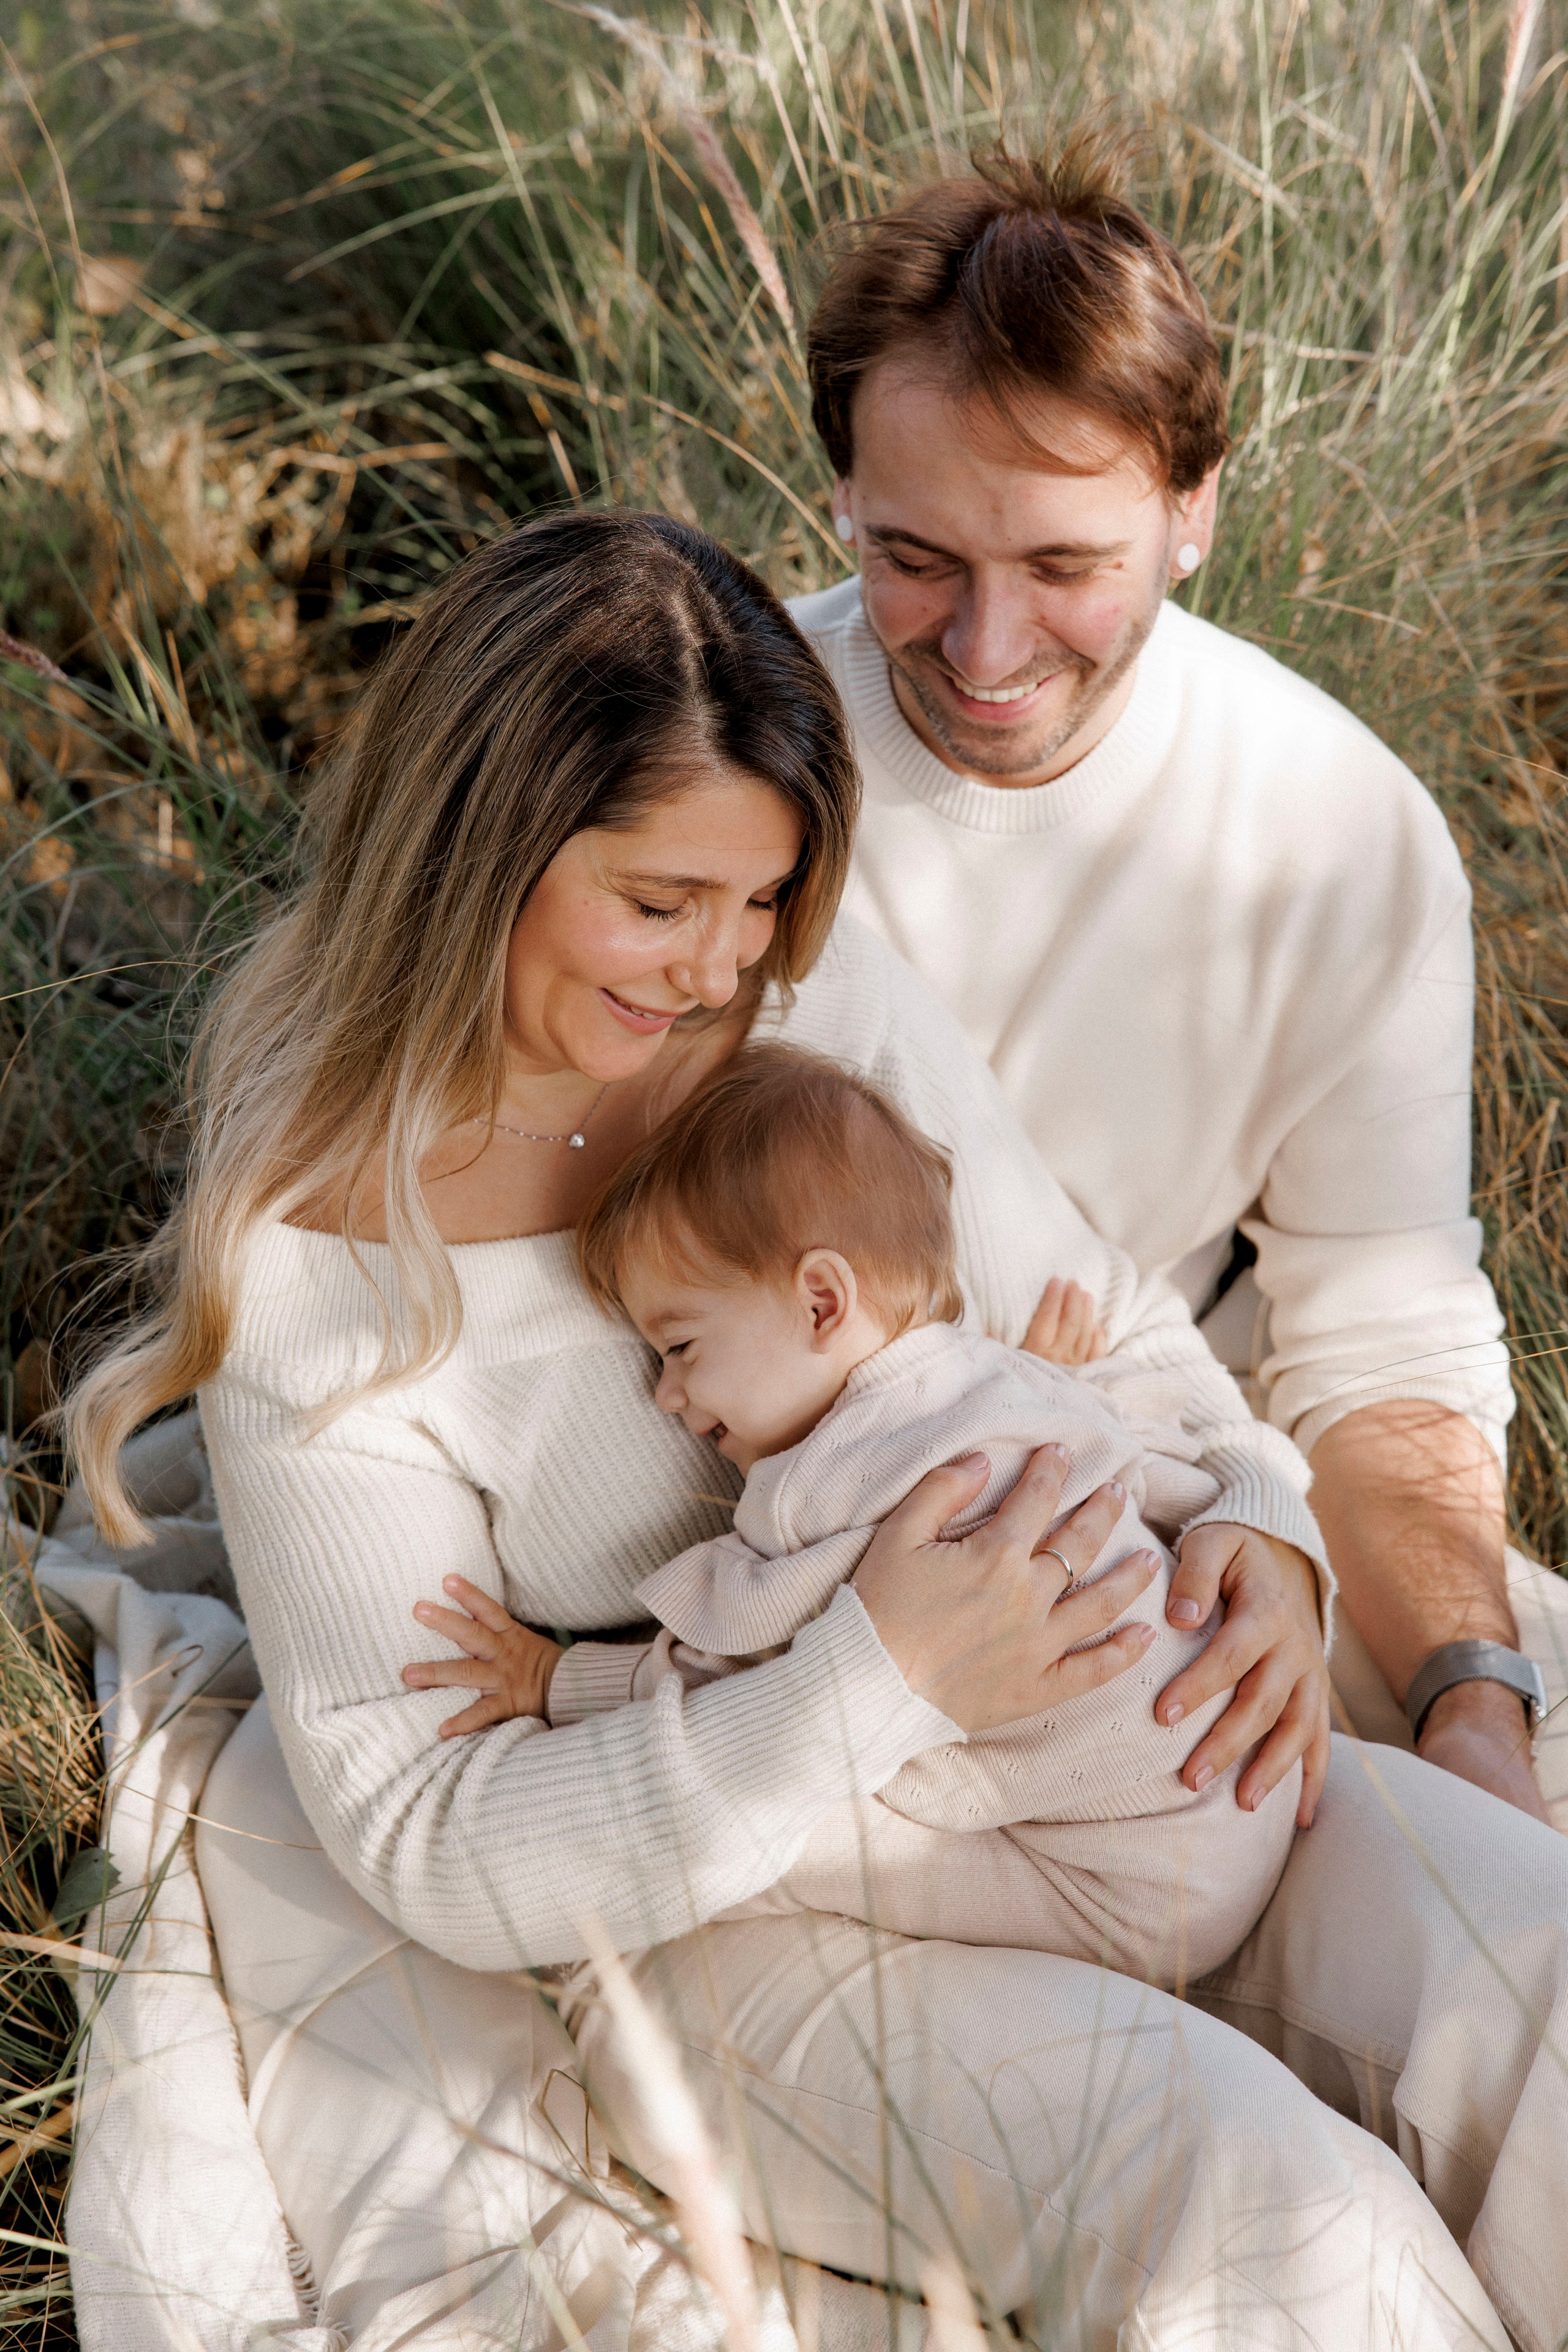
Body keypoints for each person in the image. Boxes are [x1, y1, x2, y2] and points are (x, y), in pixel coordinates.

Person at [64, 513, 1568, 2350]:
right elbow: (430, 1831)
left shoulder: (802, 1003)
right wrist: (881, 1675)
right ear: (476, 854)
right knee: (1269, 2204)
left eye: (760, 898)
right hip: (725, 1910)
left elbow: (1097, 1327)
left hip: (1107, 1744)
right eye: (658, 903)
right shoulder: (322, 1258)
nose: (717, 970)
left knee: (1537, 1973)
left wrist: (1258, 1517)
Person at [788, 130, 1567, 1826]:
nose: (985, 653)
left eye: (1063, 568)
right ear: (842, 491)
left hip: (1158, 1477)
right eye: (915, 558)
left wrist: (1467, 1701)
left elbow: (1378, 1335)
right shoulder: (723, 747)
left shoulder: (1343, 833)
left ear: (1192, 509)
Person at [404, 1041, 1317, 1988]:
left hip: (1131, 1893)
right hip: (1256, 1764)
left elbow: (725, 1677)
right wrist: (1249, 1511)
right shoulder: (1009, 1377)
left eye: (679, 1348)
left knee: (793, 1820)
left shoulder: (823, 1489)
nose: (666, 1396)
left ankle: (601, 1959)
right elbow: (1154, 1460)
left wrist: (556, 1680)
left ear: (821, 1303)